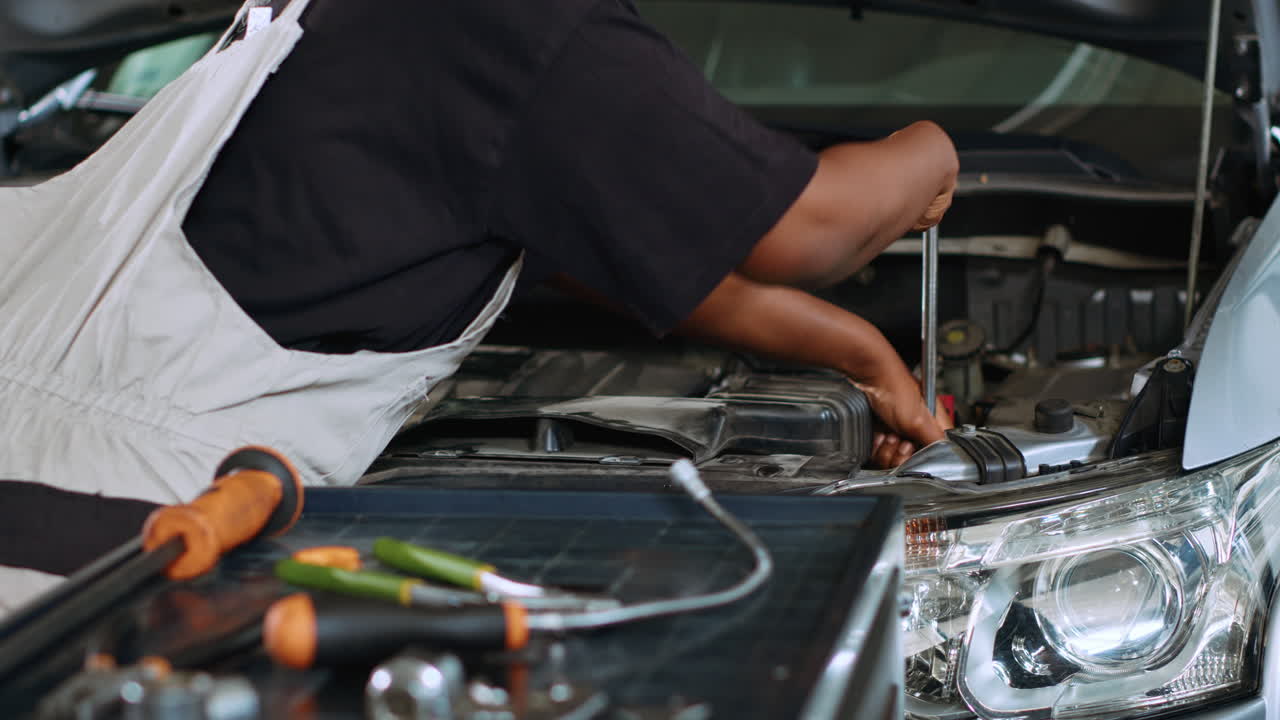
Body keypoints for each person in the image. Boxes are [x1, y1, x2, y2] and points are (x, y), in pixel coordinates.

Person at [0, 0, 954, 613]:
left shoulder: (364, 20)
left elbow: (595, 250)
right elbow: (811, 230)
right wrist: (932, 152)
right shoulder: (519, 29)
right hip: (117, 551)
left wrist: (855, 351)